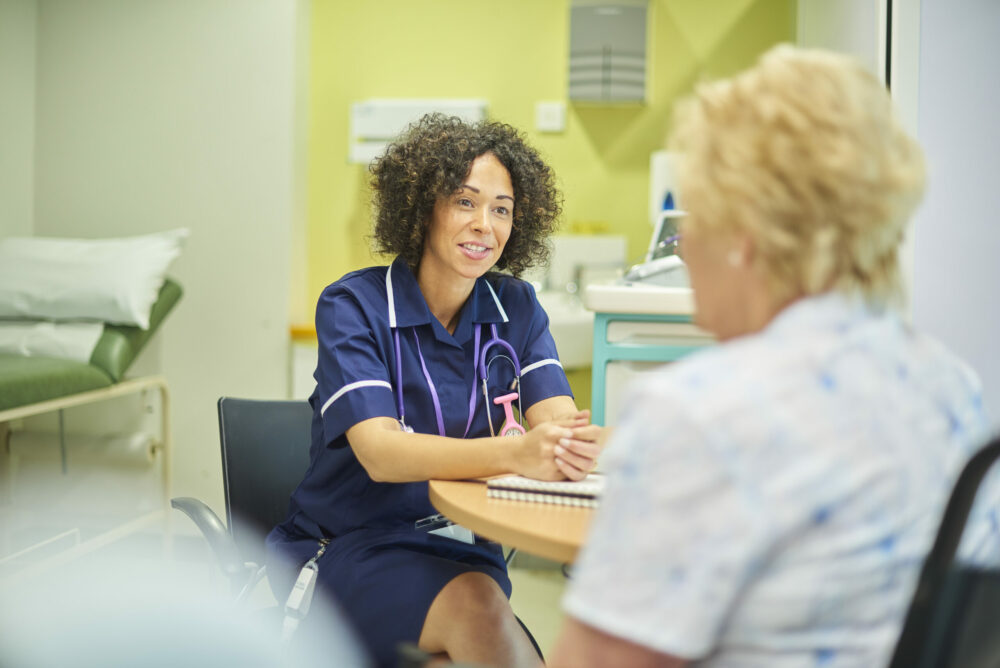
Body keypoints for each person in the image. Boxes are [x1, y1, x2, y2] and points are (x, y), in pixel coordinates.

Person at [549, 45, 996, 667]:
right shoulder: (951, 388)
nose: (685, 246)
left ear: (744, 237)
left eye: (692, 214)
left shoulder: (696, 412)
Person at [266, 113, 603, 667]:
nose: (485, 226)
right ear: (423, 208)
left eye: (502, 209)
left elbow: (557, 423)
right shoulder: (354, 306)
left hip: (466, 550)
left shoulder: (515, 306)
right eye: (465, 202)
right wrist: (515, 452)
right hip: (350, 550)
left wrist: (567, 445)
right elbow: (380, 453)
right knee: (480, 612)